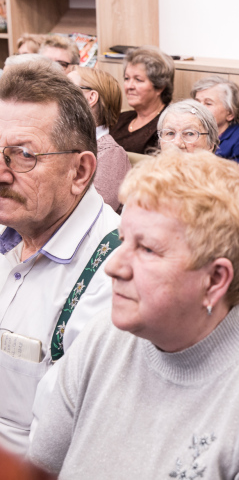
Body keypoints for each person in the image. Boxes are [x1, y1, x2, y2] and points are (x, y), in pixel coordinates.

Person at [28, 149, 239, 479]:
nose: (114, 267)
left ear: (215, 280)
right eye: (123, 241)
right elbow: (40, 470)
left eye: (147, 249)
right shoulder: (102, 337)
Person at [0, 60, 120, 455]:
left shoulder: (117, 271)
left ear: (80, 171)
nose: (1, 172)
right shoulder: (11, 223)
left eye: (21, 155)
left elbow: (65, 446)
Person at [68, 66, 131, 212]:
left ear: (91, 98)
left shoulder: (112, 154)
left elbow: (93, 212)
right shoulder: (61, 141)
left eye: (66, 87)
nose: (55, 93)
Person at [110, 46, 175, 155]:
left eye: (138, 80)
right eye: (127, 78)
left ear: (160, 86)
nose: (129, 86)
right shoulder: (120, 118)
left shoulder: (167, 126)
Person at [191, 75, 239, 162]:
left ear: (230, 113)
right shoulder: (189, 131)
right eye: (196, 102)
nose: (198, 108)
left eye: (208, 103)